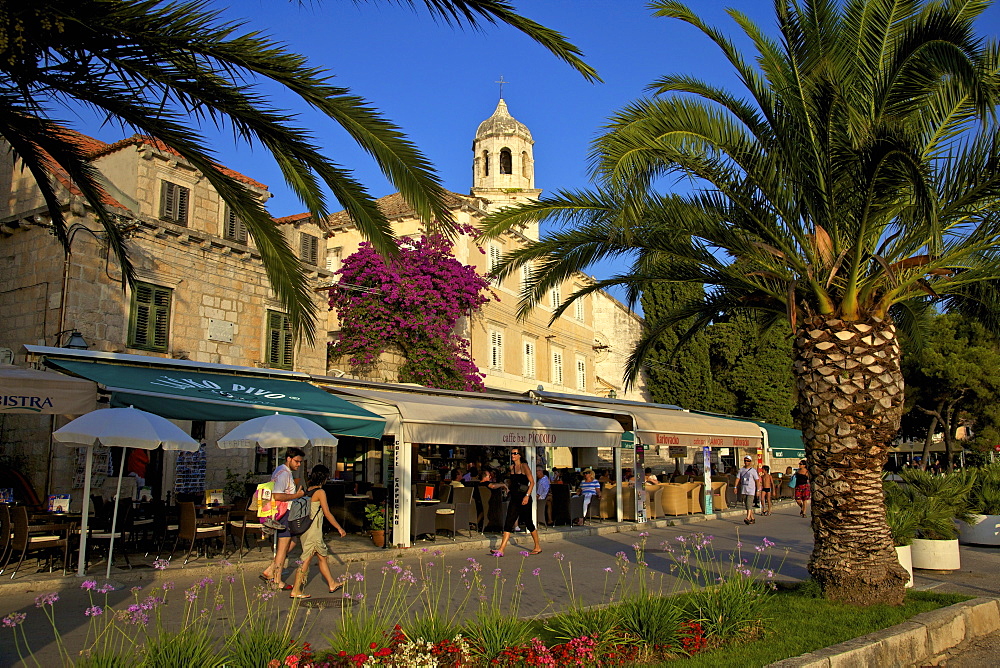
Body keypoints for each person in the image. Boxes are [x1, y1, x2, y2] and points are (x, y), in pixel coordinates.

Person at [290, 465, 346, 599]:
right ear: (324, 478)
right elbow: (327, 513)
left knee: (322, 557)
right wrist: (339, 527)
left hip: (306, 529)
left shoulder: (308, 490)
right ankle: (296, 589)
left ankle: (332, 583)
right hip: (313, 531)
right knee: (306, 559)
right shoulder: (320, 492)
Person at [262, 447, 306, 590]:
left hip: (283, 513)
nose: (298, 464)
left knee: (293, 540)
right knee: (283, 547)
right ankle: (277, 579)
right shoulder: (284, 474)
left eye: (300, 462)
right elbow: (277, 495)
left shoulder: (281, 471)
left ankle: (271, 569)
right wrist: (296, 496)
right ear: (289, 458)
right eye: (297, 461)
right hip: (283, 513)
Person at [489, 448, 541, 556]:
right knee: (509, 522)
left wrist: (527, 496)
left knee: (528, 522)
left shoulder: (524, 466)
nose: (513, 455)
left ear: (519, 455)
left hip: (524, 497)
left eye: (515, 453)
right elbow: (513, 482)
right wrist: (507, 486)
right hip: (515, 497)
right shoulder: (511, 468)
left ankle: (537, 546)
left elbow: (532, 482)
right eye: (512, 453)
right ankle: (501, 549)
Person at [736, 456, 760, 525]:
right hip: (744, 489)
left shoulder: (753, 471)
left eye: (748, 461)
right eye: (745, 460)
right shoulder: (741, 470)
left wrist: (758, 490)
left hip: (751, 490)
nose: (746, 462)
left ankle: (748, 518)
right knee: (747, 505)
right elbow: (738, 478)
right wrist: (735, 487)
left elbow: (757, 481)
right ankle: (752, 518)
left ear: (750, 462)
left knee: (749, 504)